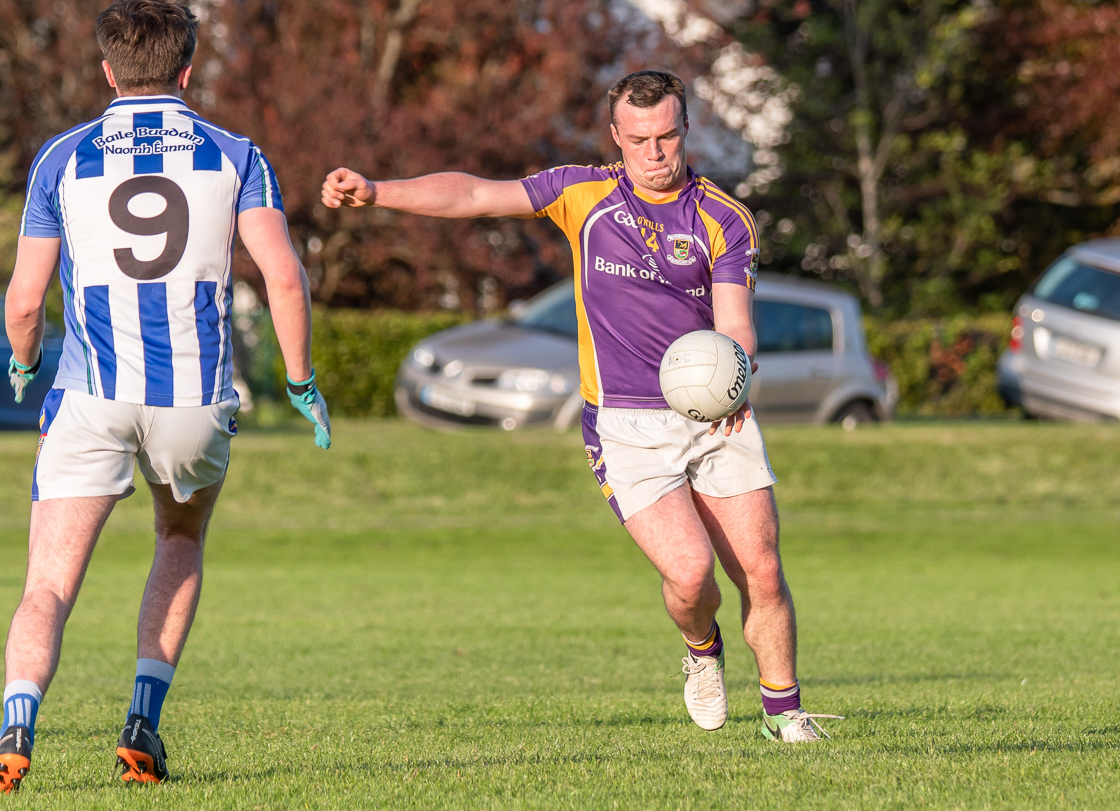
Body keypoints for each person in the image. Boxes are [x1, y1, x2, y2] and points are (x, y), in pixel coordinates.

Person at [321, 70, 839, 742]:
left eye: (669, 136)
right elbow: (476, 194)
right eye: (640, 139)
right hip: (625, 423)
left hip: (716, 416)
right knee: (691, 577)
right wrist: (378, 191)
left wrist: (736, 375)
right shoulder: (581, 193)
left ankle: (784, 715)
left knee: (763, 570)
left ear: (686, 130)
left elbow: (736, 321)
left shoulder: (722, 218)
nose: (656, 152)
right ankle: (701, 646)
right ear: (616, 139)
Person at [0, 0, 331, 794]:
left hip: (89, 395)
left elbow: (25, 299)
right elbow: (283, 275)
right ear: (189, 68)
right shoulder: (236, 154)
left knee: (48, 582)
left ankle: (17, 726)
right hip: (192, 401)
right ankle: (140, 723)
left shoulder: (61, 156)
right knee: (178, 540)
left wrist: (24, 360)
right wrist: (302, 380)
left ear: (107, 69)